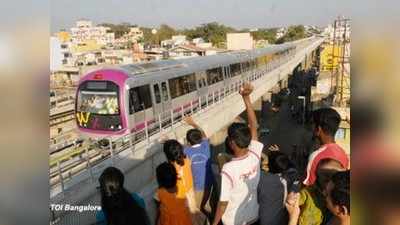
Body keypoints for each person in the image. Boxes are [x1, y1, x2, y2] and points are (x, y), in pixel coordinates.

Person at [212, 83, 264, 225]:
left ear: (232, 143)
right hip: (253, 217)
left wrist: (214, 223)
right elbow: (254, 126)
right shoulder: (255, 154)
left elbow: (223, 203)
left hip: (234, 221)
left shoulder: (228, 169)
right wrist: (246, 98)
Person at [184, 116, 214, 219]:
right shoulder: (206, 146)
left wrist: (166, 141)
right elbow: (203, 134)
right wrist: (193, 123)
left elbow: (177, 149)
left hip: (198, 188)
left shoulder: (186, 151)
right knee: (206, 205)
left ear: (188, 142)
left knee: (195, 212)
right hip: (210, 184)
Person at [258, 152, 288, 225]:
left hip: (263, 220)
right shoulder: (283, 181)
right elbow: (284, 203)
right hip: (277, 219)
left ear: (268, 167)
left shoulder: (262, 178)